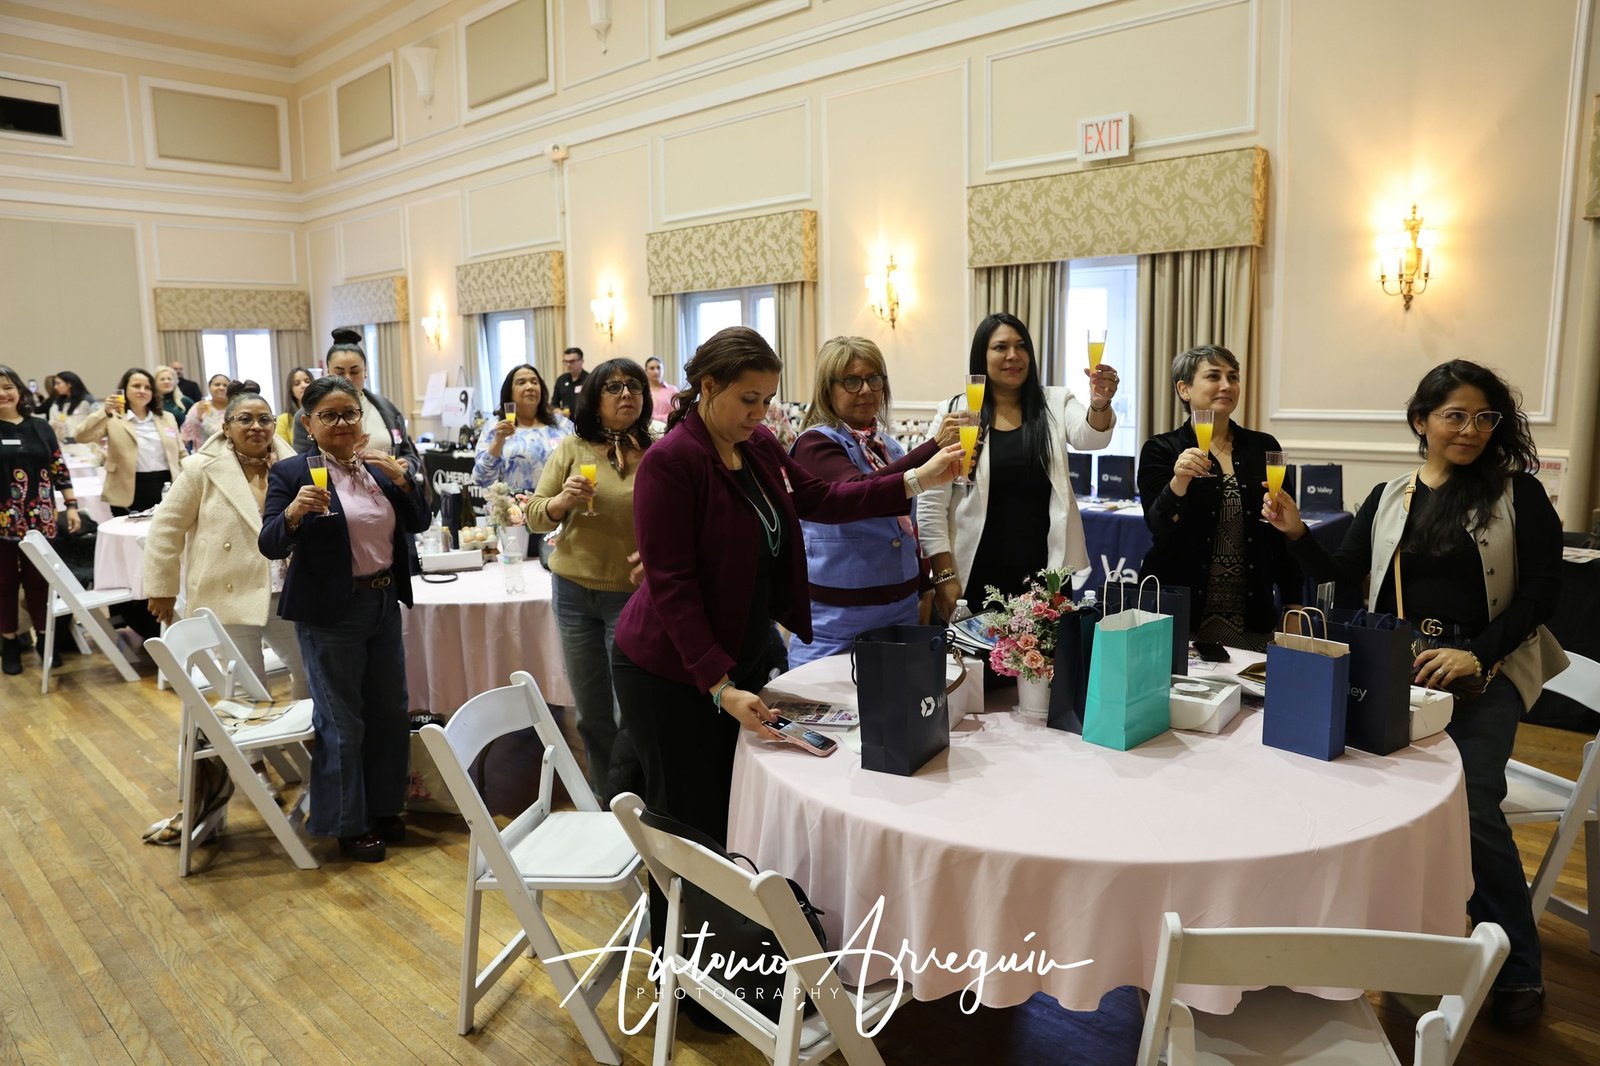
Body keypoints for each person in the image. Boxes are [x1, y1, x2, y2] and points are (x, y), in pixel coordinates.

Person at [611, 326, 963, 949]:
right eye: (749, 399)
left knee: (732, 811)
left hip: (738, 651)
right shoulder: (672, 462)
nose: (761, 412)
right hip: (670, 670)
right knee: (687, 826)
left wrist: (915, 477)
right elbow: (673, 588)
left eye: (768, 399)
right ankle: (680, 968)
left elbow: (823, 498)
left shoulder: (757, 445)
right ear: (708, 387)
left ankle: (732, 954)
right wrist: (719, 685)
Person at [1264, 359, 1567, 1029]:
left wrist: (1476, 652)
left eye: (1484, 417)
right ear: (1421, 422)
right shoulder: (1390, 495)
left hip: (1484, 669)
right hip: (1398, 666)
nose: (1471, 430)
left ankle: (1518, 967)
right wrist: (1297, 534)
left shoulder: (1518, 494)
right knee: (1353, 788)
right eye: (1455, 415)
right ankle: (1378, 940)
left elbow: (1543, 594)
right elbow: (1343, 579)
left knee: (1472, 803)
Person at [259, 375, 430, 863]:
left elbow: (418, 521)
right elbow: (270, 542)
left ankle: (384, 808)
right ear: (308, 423)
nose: (341, 423)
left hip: (382, 601)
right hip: (330, 612)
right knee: (342, 721)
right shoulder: (292, 472)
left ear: (361, 417)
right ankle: (347, 823)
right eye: (329, 415)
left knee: (389, 713)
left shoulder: (376, 466)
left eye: (349, 413)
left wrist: (404, 481)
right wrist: (294, 513)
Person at [919, 312, 1119, 631]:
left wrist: (1099, 403)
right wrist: (943, 578)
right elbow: (931, 504)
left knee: (1043, 661)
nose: (1013, 355)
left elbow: (1090, 437)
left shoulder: (1054, 402)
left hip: (1044, 575)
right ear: (982, 355)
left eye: (1021, 346)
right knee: (976, 662)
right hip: (974, 574)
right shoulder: (955, 411)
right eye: (1001, 347)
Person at [787, 336, 963, 665]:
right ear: (827, 389)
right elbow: (858, 493)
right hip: (837, 624)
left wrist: (923, 587)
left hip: (900, 613)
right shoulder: (815, 445)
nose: (866, 390)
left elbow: (906, 529)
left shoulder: (887, 446)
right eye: (852, 381)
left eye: (874, 379)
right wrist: (931, 450)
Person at [527, 358, 651, 800]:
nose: (626, 394)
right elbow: (535, 517)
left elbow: (682, 520)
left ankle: (632, 800)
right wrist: (561, 501)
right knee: (591, 712)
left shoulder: (657, 452)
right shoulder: (572, 448)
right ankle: (603, 799)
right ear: (595, 400)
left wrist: (657, 556)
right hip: (573, 594)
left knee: (631, 710)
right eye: (613, 387)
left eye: (634, 386)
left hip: (631, 597)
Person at [143, 381, 307, 699]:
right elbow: (165, 528)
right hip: (229, 591)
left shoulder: (294, 465)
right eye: (245, 419)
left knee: (312, 670)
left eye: (264, 419)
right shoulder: (201, 469)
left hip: (287, 590)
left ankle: (312, 730)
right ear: (226, 427)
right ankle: (250, 735)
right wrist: (162, 588)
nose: (256, 426)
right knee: (247, 687)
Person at [1136, 345, 1302, 651]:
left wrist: (1293, 603)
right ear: (1184, 389)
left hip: (1250, 613)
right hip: (1179, 614)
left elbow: (1283, 535)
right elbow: (1159, 524)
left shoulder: (1263, 446)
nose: (1227, 385)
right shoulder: (1161, 449)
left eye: (1233, 377)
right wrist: (1179, 481)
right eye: (1214, 376)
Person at [0, 364, 80, 675]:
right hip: (3, 521)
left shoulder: (41, 427)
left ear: (19, 391)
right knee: (5, 583)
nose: (3, 394)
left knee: (39, 581)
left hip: (41, 518)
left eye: (8, 387)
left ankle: (45, 639)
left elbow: (59, 468)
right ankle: (9, 642)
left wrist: (71, 505)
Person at [292, 330, 421, 474]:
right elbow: (303, 466)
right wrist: (347, 456)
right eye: (340, 372)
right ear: (328, 372)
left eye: (354, 372)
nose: (348, 378)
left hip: (389, 485)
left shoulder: (387, 408)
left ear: (365, 371)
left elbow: (408, 453)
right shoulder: (310, 414)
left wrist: (406, 465)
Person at [75, 367, 183, 514]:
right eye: (136, 386)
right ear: (125, 389)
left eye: (147, 387)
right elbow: (81, 436)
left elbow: (181, 452)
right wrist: (104, 412)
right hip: (126, 489)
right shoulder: (112, 417)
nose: (142, 391)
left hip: (166, 486)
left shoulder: (167, 418)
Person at [180, 374, 232, 451]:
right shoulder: (199, 407)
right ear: (209, 387)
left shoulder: (235, 408)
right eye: (217, 384)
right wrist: (198, 418)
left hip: (230, 453)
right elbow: (185, 435)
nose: (221, 388)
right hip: (204, 453)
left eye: (225, 385)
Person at [45, 370, 93, 441]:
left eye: (58, 383)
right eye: (55, 384)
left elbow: (99, 420)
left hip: (85, 442)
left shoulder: (88, 400)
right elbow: (52, 421)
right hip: (64, 441)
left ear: (69, 384)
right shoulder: (57, 403)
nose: (55, 387)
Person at [277, 367, 314, 444]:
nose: (303, 385)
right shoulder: (283, 420)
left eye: (307, 381)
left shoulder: (320, 414)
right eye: (297, 383)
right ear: (291, 391)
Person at [552, 346, 587, 416]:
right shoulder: (561, 380)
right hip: (566, 420)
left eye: (572, 361)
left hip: (584, 419)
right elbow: (554, 403)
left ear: (581, 361)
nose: (568, 365)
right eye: (565, 361)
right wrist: (558, 411)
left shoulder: (589, 379)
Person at [644, 357, 678, 421]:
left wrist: (655, 418)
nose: (656, 371)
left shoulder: (673, 390)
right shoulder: (643, 391)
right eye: (652, 368)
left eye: (658, 368)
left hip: (670, 425)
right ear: (646, 371)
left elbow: (677, 413)